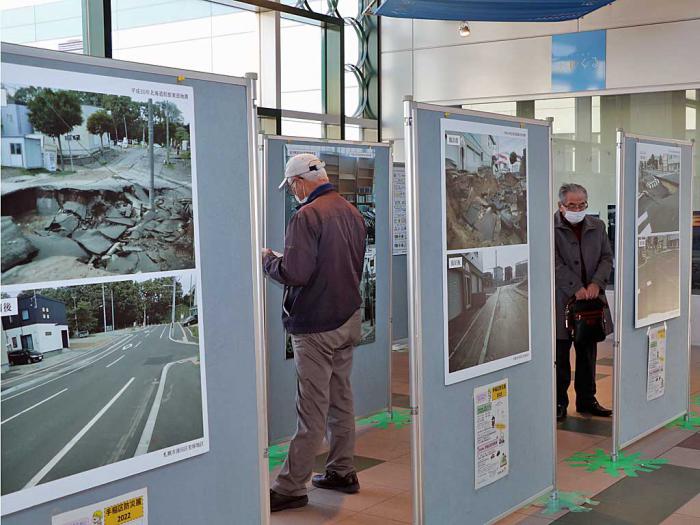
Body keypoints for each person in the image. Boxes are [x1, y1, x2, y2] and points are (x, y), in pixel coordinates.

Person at [262, 153, 367, 512]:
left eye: (291, 186)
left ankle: (291, 486)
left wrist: (268, 260)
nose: (292, 192)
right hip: (348, 318)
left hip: (316, 326)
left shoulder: (306, 216)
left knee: (311, 408)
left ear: (298, 182)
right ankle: (341, 470)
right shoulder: (351, 212)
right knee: (341, 399)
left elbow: (296, 273)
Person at [554, 183, 613, 421]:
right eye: (572, 205)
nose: (577, 209)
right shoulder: (550, 228)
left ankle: (587, 401)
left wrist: (596, 284)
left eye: (582, 205)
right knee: (560, 355)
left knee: (588, 353)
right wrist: (575, 287)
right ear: (561, 205)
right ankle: (558, 402)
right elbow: (552, 261)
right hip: (561, 301)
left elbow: (606, 257)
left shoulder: (597, 226)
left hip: (591, 303)